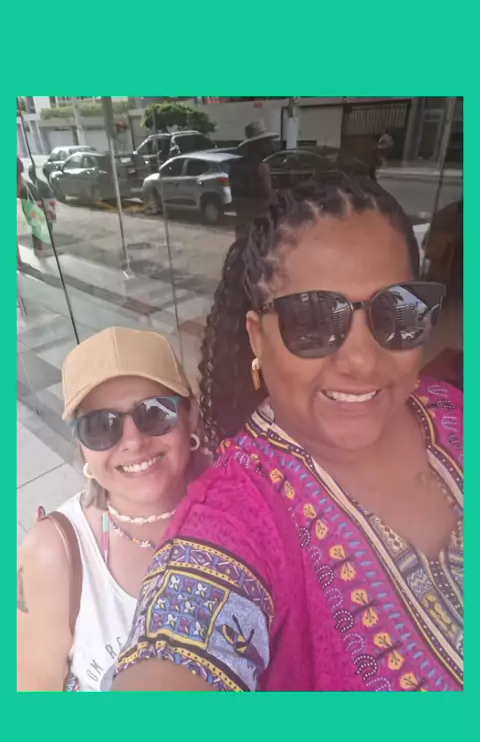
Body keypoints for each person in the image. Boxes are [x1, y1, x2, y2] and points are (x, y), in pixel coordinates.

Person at [114, 177, 463, 693]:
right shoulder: (237, 514)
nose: (362, 360)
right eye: (314, 320)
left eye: (397, 310)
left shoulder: (450, 408)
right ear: (258, 337)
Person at [17, 327, 204, 691]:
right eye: (101, 425)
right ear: (81, 445)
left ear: (191, 416)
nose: (133, 441)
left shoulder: (243, 506)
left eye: (155, 412)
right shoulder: (52, 552)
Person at [230, 120, 278, 231]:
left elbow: (235, 197)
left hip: (243, 221)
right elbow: (267, 195)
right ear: (258, 145)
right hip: (260, 223)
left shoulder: (235, 166)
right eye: (266, 142)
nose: (270, 145)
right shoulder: (262, 167)